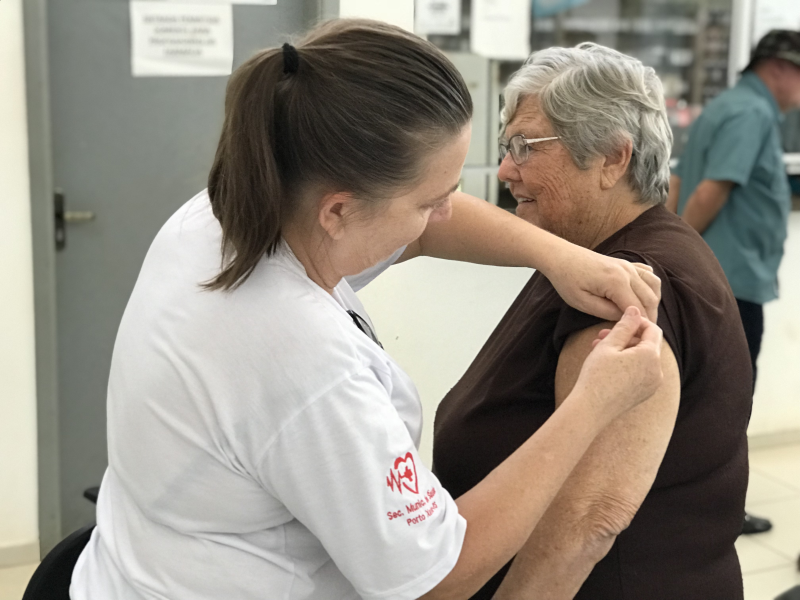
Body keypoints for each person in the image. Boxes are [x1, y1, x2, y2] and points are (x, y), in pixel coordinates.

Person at [68, 20, 663, 600]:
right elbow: (435, 579)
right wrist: (592, 406)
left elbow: (425, 232)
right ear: (339, 210)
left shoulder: (224, 214)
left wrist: (560, 258)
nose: (447, 214)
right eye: (432, 199)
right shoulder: (300, 360)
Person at [433, 43, 752, 599]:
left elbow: (589, 520)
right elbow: (427, 222)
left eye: (526, 147)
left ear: (612, 157)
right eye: (507, 146)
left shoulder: (626, 290)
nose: (506, 168)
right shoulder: (587, 257)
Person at [667, 30, 800, 534]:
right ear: (781, 68)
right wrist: (681, 249)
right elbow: (710, 190)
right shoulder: (752, 113)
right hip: (732, 284)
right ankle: (717, 511)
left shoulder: (723, 107)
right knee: (728, 399)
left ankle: (689, 504)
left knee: (701, 396)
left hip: (717, 279)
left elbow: (679, 182)